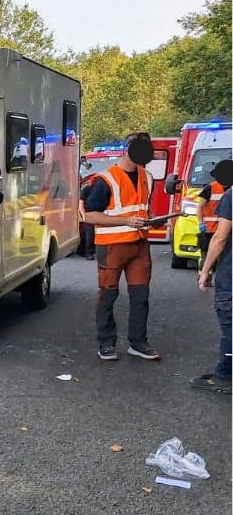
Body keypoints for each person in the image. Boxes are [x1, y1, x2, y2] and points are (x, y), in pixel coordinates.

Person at [83, 132, 160, 361]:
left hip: (139, 245)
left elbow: (143, 207)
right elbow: (90, 215)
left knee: (141, 296)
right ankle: (106, 343)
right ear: (127, 150)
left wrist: (154, 218)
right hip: (112, 246)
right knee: (108, 295)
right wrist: (126, 221)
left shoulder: (148, 177)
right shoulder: (106, 179)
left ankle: (138, 343)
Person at [192, 160, 233, 392]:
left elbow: (221, 237)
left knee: (230, 324)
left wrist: (205, 270)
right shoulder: (212, 189)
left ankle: (225, 375)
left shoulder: (231, 196)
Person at [75, 158, 97, 260]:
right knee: (89, 232)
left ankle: (88, 252)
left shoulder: (86, 188)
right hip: (91, 211)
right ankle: (89, 252)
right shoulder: (96, 188)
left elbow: (81, 202)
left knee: (88, 231)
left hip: (87, 211)